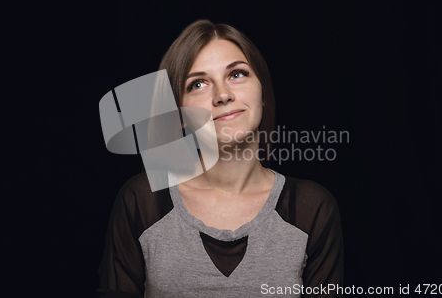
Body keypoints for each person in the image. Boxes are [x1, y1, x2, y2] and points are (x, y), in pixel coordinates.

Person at [97, 20, 344, 297]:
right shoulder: (141, 201)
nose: (223, 95)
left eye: (237, 74)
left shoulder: (313, 209)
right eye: (198, 84)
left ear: (262, 93)